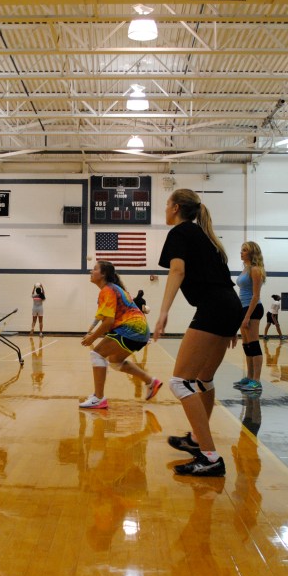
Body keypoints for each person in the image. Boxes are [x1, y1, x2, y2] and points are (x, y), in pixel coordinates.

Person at [153, 188, 243, 477]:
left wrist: (163, 311)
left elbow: (177, 272)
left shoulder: (180, 232)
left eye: (167, 205)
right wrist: (231, 323)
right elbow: (223, 279)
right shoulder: (204, 236)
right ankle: (195, 439)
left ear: (176, 207)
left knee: (180, 382)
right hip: (229, 306)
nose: (165, 210)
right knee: (204, 379)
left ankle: (210, 456)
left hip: (215, 307)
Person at [78, 261, 161, 409]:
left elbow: (108, 322)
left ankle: (99, 398)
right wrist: (92, 333)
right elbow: (105, 319)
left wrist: (92, 337)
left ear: (103, 274)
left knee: (97, 354)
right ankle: (151, 381)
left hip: (131, 329)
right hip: (140, 330)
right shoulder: (113, 289)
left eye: (94, 269)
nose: (91, 271)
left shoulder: (107, 290)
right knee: (115, 361)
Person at [233, 242, 266, 393]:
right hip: (244, 309)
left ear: (252, 253)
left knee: (253, 344)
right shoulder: (246, 268)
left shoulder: (255, 270)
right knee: (246, 345)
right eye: (241, 250)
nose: (241, 252)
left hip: (253, 309)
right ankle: (249, 376)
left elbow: (256, 296)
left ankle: (256, 381)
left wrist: (247, 317)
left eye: (245, 250)